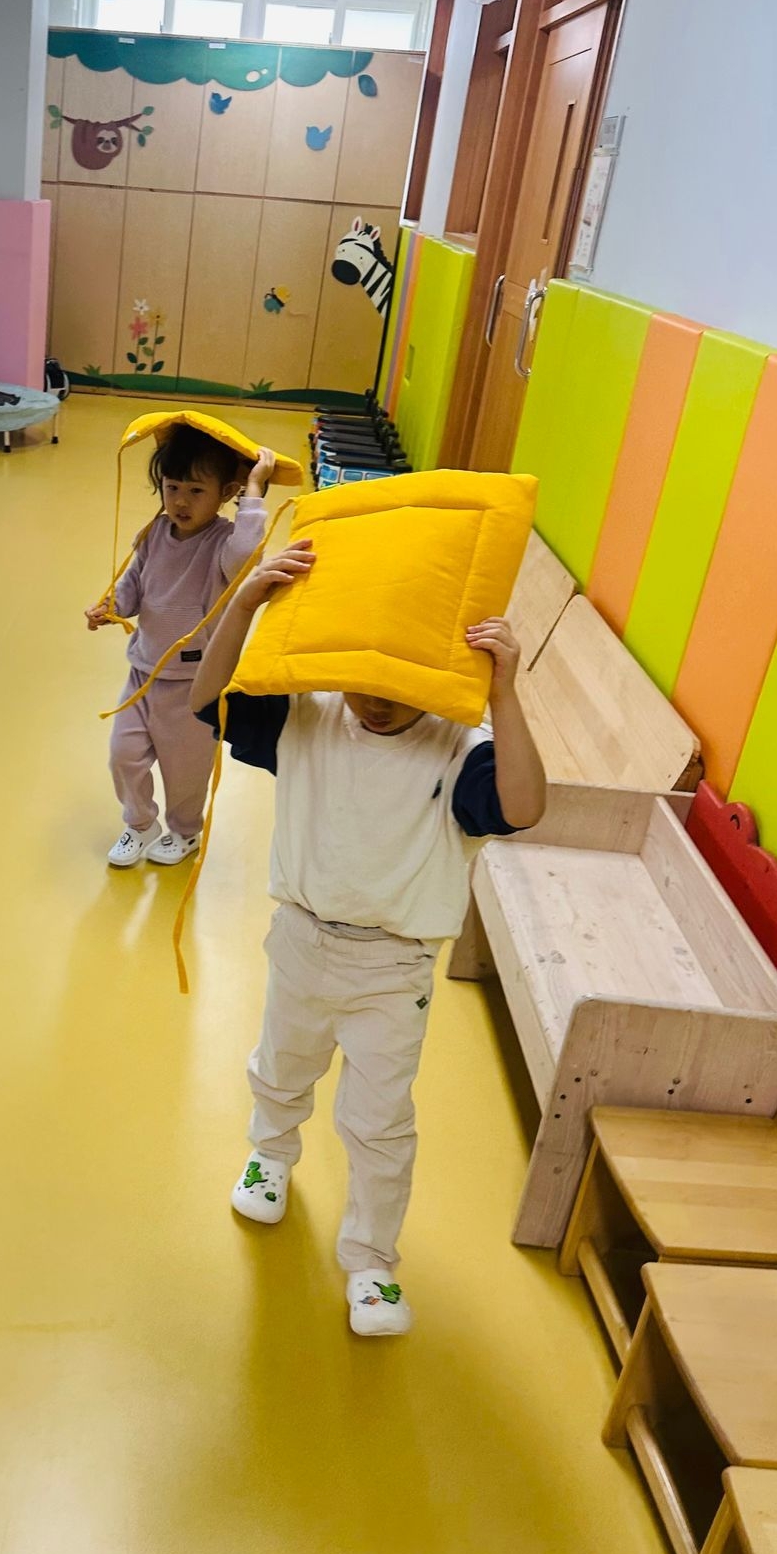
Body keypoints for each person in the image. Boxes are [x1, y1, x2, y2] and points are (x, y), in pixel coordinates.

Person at [189, 543, 547, 1337]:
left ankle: (372, 1259)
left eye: (396, 685)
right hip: (302, 938)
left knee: (380, 1119)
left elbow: (523, 808)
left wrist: (505, 693)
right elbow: (208, 702)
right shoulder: (310, 715)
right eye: (362, 679)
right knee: (281, 1064)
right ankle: (271, 1153)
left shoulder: (461, 744)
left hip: (394, 967)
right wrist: (244, 604)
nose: (376, 702)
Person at [87, 427, 277, 868]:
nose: (181, 502)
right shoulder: (154, 532)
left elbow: (247, 557)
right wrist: (112, 606)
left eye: (196, 491)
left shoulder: (224, 543)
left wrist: (253, 490)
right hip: (143, 674)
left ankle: (185, 831)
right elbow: (136, 582)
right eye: (172, 488)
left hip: (195, 687)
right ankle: (140, 824)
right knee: (123, 755)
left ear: (225, 493)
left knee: (186, 771)